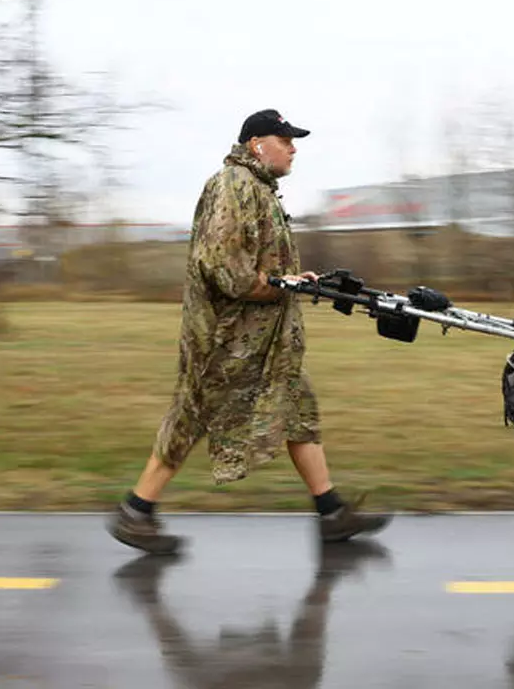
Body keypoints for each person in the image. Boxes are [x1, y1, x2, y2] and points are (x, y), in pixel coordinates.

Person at [107, 109, 391, 555]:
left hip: (261, 339)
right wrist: (277, 285)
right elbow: (223, 267)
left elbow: (259, 263)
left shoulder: (258, 188)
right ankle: (135, 510)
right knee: (192, 415)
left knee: (298, 407)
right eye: (285, 140)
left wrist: (294, 279)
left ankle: (332, 513)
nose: (293, 149)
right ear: (258, 144)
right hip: (226, 338)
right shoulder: (233, 185)